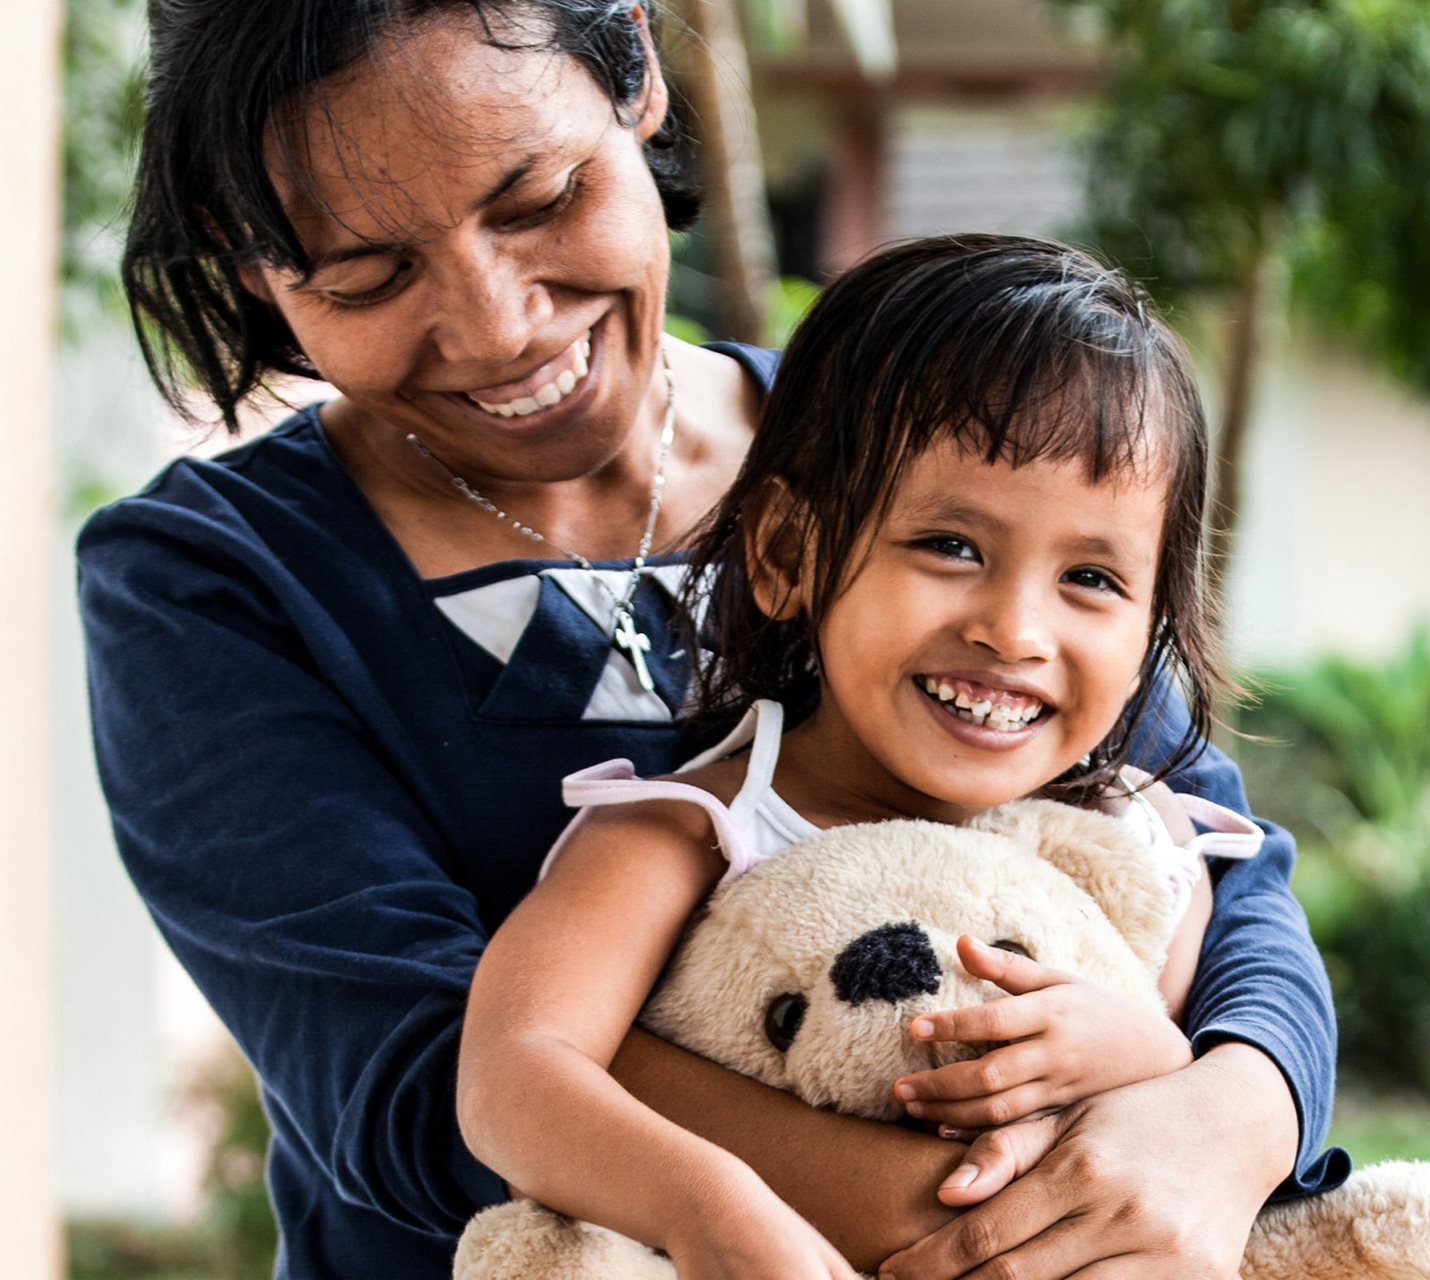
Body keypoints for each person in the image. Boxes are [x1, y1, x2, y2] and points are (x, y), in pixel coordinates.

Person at [80, 3, 1348, 1278]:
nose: (498, 323)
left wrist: (1222, 1121)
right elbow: (421, 1072)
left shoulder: (927, 452)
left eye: (538, 199)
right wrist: (989, 1223)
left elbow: (1216, 874)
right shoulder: (217, 578)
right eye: (368, 273)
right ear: (246, 260)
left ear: (634, 67)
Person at [458, 233, 1272, 1276]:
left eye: (1092, 579)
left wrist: (1155, 1055)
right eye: (952, 546)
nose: (1016, 629)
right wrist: (712, 1206)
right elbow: (512, 1072)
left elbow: (1176, 1090)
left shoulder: (1138, 847)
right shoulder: (691, 828)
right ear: (789, 551)